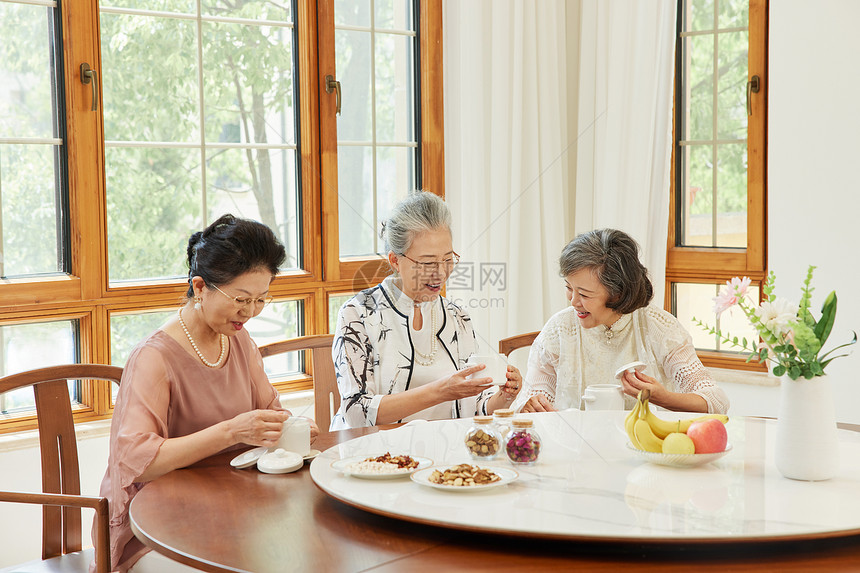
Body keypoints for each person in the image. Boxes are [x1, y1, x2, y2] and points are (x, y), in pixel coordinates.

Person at [94, 214, 319, 573]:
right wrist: (231, 432)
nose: (250, 312)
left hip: (236, 508)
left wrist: (290, 427)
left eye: (261, 299)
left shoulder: (238, 337)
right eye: (241, 299)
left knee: (309, 550)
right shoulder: (154, 357)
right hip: (160, 527)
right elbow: (137, 462)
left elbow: (269, 412)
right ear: (200, 286)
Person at [330, 191, 522, 429]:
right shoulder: (357, 314)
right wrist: (441, 391)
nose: (441, 273)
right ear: (395, 260)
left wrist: (504, 396)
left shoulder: (457, 317)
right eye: (428, 263)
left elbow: (476, 406)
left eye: (448, 259)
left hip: (444, 454)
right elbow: (356, 412)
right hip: (375, 456)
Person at [514, 229, 729, 414]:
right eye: (569, 288)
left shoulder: (657, 326)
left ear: (617, 294)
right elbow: (532, 398)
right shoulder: (559, 329)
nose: (573, 302)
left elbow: (716, 401)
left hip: (647, 451)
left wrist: (663, 398)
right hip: (575, 452)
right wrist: (530, 405)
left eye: (585, 295)